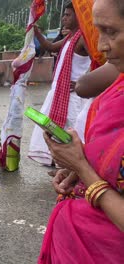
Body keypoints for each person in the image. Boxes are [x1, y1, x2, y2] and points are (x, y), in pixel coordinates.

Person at [38, 0, 124, 262]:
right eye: (99, 32)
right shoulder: (117, 87)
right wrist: (78, 166)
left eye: (111, 31)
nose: (101, 46)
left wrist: (84, 169)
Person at [28, 2, 91, 166]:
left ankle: (74, 167)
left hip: (74, 95)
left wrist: (82, 82)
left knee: (72, 132)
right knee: (54, 129)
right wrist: (37, 33)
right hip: (59, 92)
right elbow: (50, 46)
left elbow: (98, 62)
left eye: (68, 15)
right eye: (64, 14)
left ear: (79, 17)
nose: (64, 18)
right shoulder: (70, 37)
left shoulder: (84, 38)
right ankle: (62, 164)